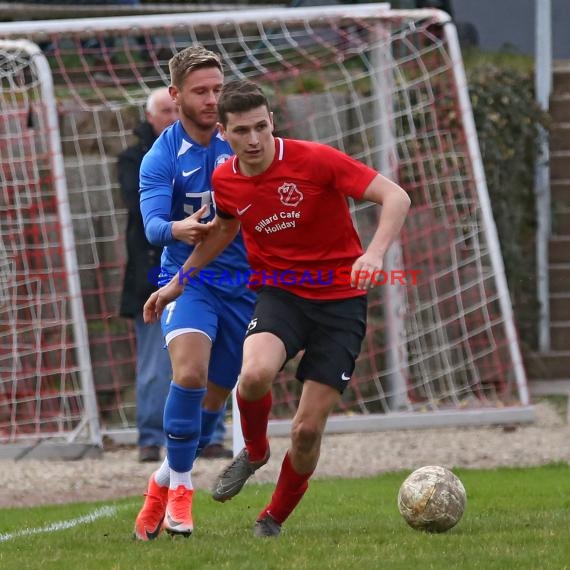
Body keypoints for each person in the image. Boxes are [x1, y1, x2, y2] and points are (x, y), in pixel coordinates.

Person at [144, 79, 411, 537]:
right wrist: (176, 285)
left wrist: (374, 253)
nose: (254, 140)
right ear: (224, 134)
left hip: (340, 303)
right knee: (252, 376)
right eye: (242, 131)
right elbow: (225, 231)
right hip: (281, 294)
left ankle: (273, 517)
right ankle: (256, 449)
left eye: (261, 128)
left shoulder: (315, 159)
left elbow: (396, 196)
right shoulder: (224, 178)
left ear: (273, 123)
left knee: (307, 431)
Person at [133, 46, 255, 541]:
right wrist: (175, 228)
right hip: (186, 280)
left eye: (217, 90)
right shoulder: (160, 155)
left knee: (212, 406)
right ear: (175, 94)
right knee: (189, 372)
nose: (211, 100)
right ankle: (182, 488)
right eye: (200, 91)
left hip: (245, 287)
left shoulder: (244, 142)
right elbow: (152, 225)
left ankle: (161, 481)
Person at [118, 87, 178, 463]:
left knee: (205, 359)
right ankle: (150, 438)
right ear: (151, 117)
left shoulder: (204, 151)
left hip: (200, 271)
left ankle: (210, 433)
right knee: (155, 365)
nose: (172, 116)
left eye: (176, 110)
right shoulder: (133, 159)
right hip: (152, 274)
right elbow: (141, 207)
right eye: (166, 111)